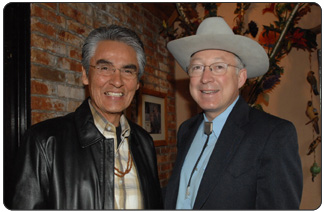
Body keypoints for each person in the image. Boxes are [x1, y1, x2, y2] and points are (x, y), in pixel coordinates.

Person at [10, 25, 163, 209]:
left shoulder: (144, 142)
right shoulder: (44, 142)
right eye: (105, 68)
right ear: (85, 75)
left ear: (137, 83)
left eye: (127, 71)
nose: (117, 81)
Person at [164, 17, 303, 209]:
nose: (205, 78)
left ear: (241, 77)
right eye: (197, 67)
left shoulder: (274, 135)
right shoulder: (186, 130)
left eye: (218, 67)